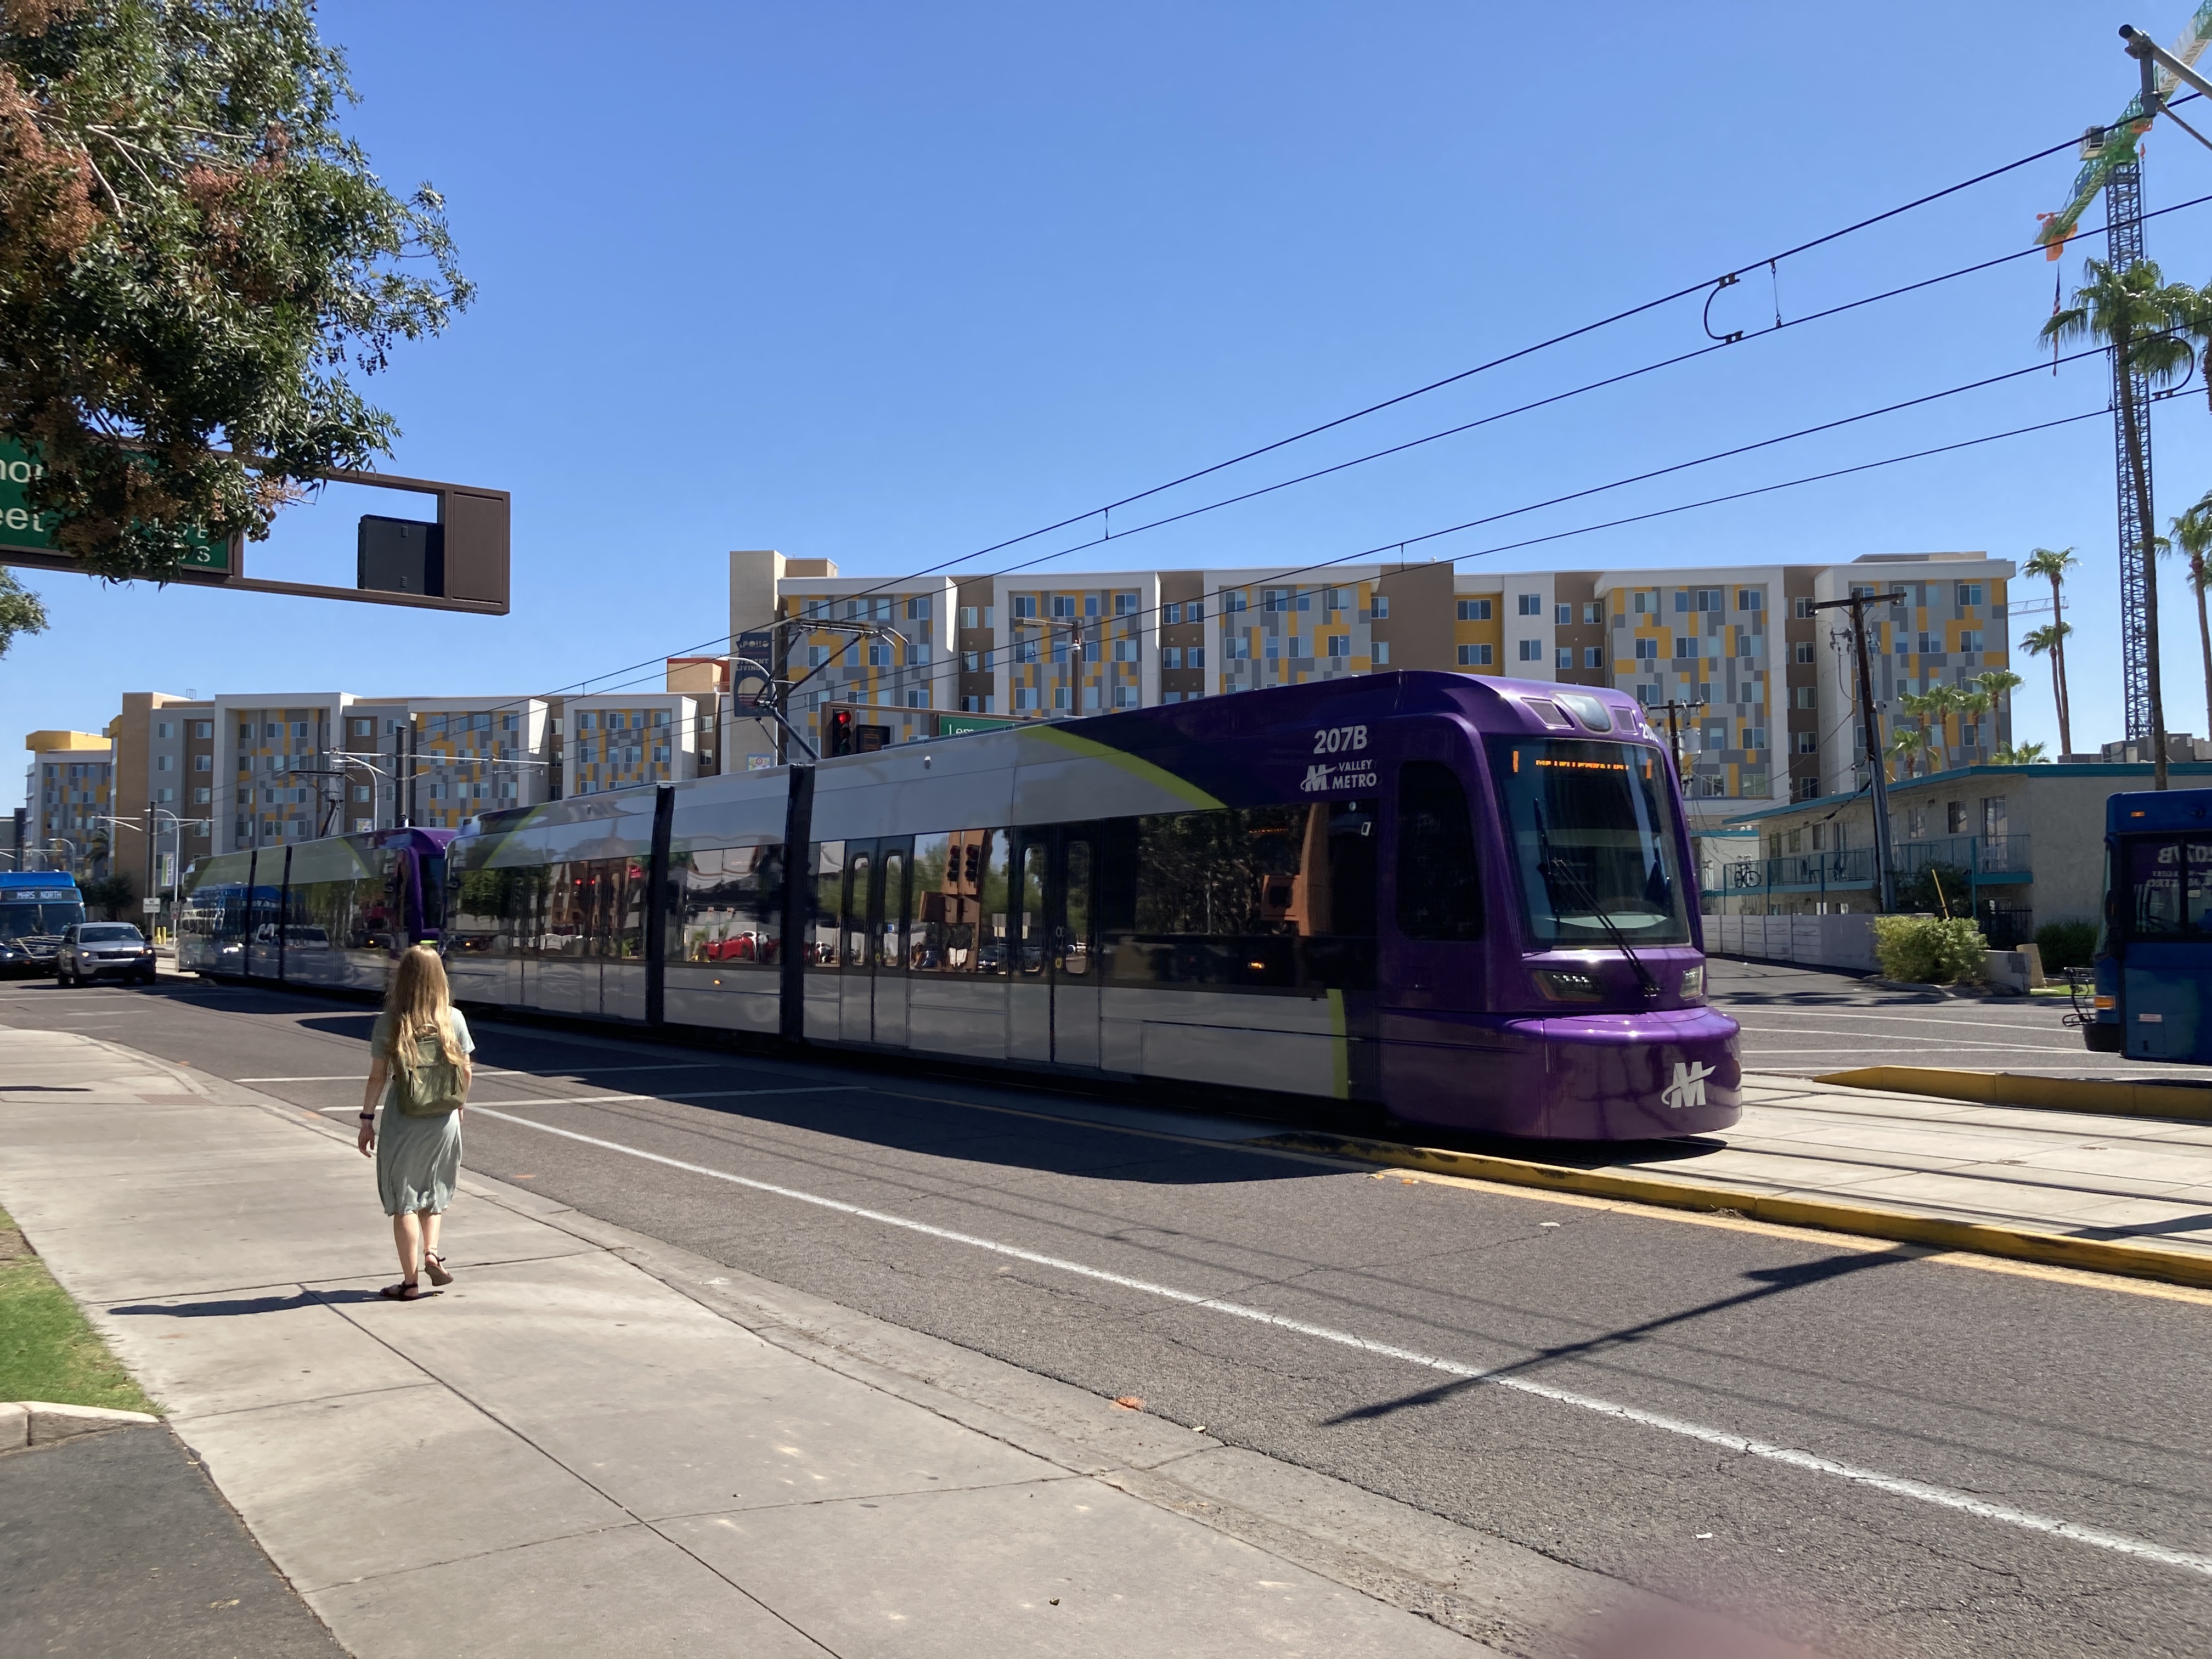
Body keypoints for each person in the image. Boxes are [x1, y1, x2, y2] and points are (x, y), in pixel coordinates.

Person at [357, 945, 475, 1300]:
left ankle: (409, 1284)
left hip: (403, 1117)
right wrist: (459, 1107)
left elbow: (377, 1077)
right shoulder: (453, 1019)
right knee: (434, 1190)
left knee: (404, 1198)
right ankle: (432, 1252)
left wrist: (366, 1120)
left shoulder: (390, 1021)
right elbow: (467, 1070)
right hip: (444, 1116)